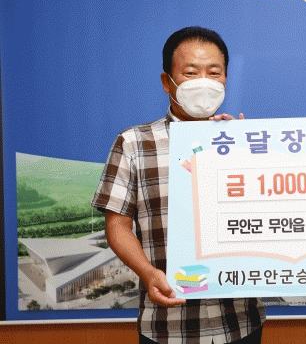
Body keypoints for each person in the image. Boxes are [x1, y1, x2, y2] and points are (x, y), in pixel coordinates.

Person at [91, 27, 265, 344]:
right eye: (191, 73)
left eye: (214, 73)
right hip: (167, 326)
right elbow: (117, 225)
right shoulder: (134, 143)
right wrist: (148, 273)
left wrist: (245, 155)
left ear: (225, 80)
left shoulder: (248, 141)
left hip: (240, 322)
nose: (203, 82)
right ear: (166, 81)